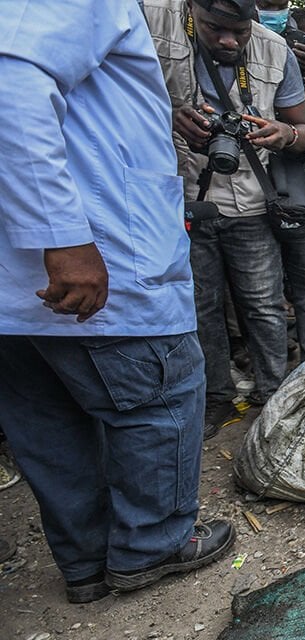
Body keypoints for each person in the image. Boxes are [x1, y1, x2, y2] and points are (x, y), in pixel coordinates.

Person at [0, 0, 235, 603]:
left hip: (20, 282)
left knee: (49, 419)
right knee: (157, 396)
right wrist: (64, 239)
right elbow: (14, 83)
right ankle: (151, 546)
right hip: (96, 256)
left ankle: (84, 562)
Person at [145, 0, 305, 436]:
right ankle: (214, 399)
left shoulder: (275, 49)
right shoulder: (150, 21)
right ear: (191, 12)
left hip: (252, 201)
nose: (227, 40)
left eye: (238, 32)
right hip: (180, 198)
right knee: (199, 309)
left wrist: (285, 134)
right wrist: (168, 116)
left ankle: (276, 393)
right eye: (213, 28)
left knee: (264, 306)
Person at [255, 2, 305, 367]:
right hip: (245, 176)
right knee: (259, 291)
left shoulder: (299, 41)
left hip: (303, 170)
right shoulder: (232, 33)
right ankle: (270, 374)